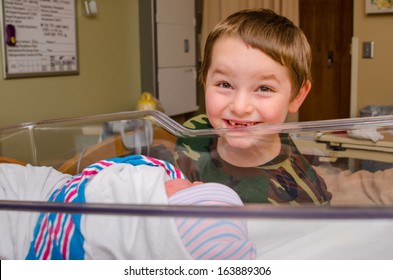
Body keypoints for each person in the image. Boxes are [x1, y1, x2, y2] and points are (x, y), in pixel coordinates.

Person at [175, 9, 331, 204]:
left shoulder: (302, 196)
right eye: (225, 84)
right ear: (204, 79)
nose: (240, 107)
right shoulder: (193, 133)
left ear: (297, 96)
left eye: (264, 88)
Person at [0, 155, 256, 260]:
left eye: (194, 189)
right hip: (51, 189)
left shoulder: (136, 200)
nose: (197, 181)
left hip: (34, 223)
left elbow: (102, 180)